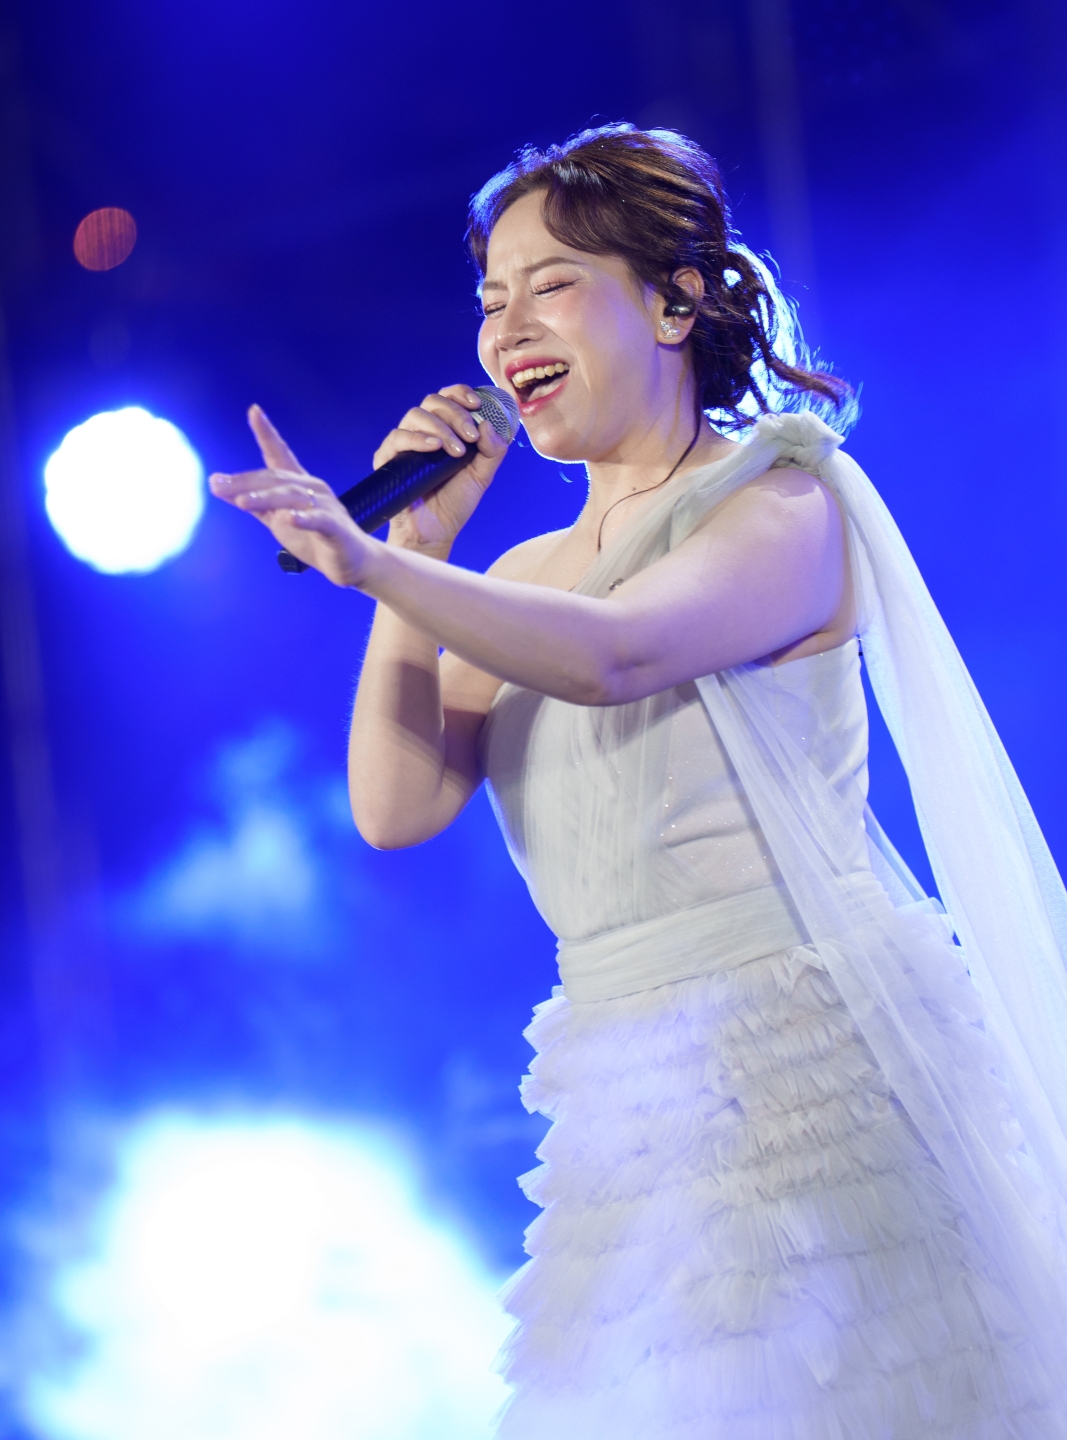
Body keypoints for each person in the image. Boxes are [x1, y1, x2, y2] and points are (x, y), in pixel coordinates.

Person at [210, 124, 1067, 1437]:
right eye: (490, 299)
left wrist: (374, 565)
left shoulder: (780, 501)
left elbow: (621, 653)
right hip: (622, 1100)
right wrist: (414, 559)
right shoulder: (518, 579)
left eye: (551, 285)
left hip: (800, 1072)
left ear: (675, 302)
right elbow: (395, 809)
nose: (507, 329)